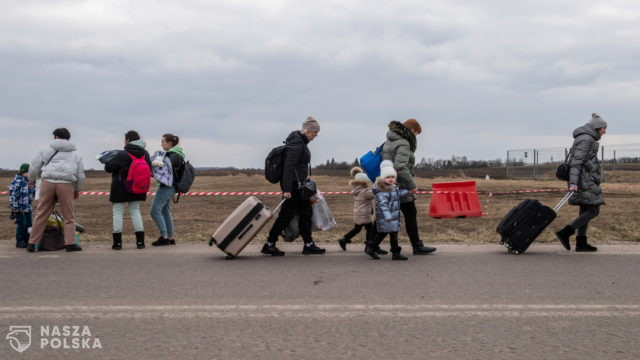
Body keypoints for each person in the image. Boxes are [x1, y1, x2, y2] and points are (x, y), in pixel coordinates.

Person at [262, 116, 326, 256]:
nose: (316, 135)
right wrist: (286, 190)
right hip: (293, 187)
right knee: (285, 216)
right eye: (315, 132)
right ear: (308, 131)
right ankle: (269, 244)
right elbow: (288, 168)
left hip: (300, 187)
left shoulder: (300, 142)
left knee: (306, 214)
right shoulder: (297, 144)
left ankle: (308, 244)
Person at [381, 119, 436, 255]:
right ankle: (417, 246)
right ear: (412, 130)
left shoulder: (390, 140)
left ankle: (371, 244)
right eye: (416, 133)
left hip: (388, 183)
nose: (416, 136)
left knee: (386, 216)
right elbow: (400, 167)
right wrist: (412, 185)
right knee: (410, 214)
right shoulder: (404, 143)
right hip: (401, 185)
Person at [27, 128, 85, 252]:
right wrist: (77, 189)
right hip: (66, 183)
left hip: (47, 182)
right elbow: (80, 174)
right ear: (68, 138)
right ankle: (70, 244)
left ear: (55, 137)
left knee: (41, 213)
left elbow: (34, 165)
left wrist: (31, 179)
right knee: (69, 215)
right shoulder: (76, 154)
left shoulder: (46, 149)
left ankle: (32, 243)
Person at [555, 113, 608, 252]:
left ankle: (581, 243)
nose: (605, 131)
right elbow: (576, 163)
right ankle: (565, 232)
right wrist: (573, 183)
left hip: (585, 179)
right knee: (593, 209)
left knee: (586, 209)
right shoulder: (586, 139)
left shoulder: (587, 138)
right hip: (583, 181)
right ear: (597, 128)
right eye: (603, 128)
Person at [104, 130, 152, 250]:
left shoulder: (122, 154)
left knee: (118, 213)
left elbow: (109, 168)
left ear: (128, 140)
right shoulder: (145, 154)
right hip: (136, 187)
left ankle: (117, 243)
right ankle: (140, 242)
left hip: (120, 188)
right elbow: (150, 169)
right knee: (135, 211)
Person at [365, 161, 415, 260]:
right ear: (383, 178)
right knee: (384, 234)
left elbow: (398, 195)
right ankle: (375, 248)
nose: (391, 179)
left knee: (390, 234)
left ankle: (390, 251)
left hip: (392, 216)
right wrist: (388, 217)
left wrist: (408, 192)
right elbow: (383, 205)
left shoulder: (392, 188)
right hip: (387, 217)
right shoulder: (383, 191)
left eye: (393, 177)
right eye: (388, 177)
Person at [337, 167, 387, 255]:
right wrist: (380, 187)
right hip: (364, 214)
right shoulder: (365, 191)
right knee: (370, 230)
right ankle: (369, 246)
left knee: (357, 229)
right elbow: (374, 194)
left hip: (359, 213)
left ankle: (344, 239)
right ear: (364, 182)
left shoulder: (357, 189)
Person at [150, 133, 185, 246]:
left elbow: (163, 171)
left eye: (163, 142)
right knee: (165, 211)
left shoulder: (172, 155)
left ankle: (164, 237)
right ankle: (169, 237)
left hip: (166, 187)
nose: (161, 144)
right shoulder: (177, 154)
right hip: (172, 187)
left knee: (154, 211)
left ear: (169, 143)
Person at [9, 164, 35, 248]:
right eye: (28, 172)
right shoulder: (18, 181)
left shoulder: (28, 181)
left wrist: (32, 187)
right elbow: (14, 195)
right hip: (19, 208)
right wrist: (14, 208)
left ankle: (28, 240)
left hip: (28, 208)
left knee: (29, 224)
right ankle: (20, 241)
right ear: (23, 172)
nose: (29, 174)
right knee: (22, 224)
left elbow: (31, 194)